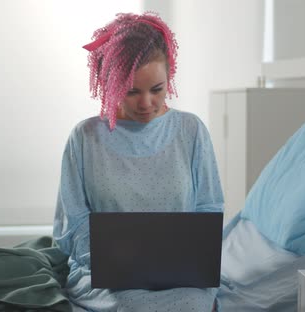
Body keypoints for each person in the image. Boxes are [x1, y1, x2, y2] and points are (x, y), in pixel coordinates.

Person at [52, 12, 224, 312]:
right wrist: (118, 261)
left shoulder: (190, 130)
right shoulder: (84, 137)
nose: (146, 103)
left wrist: (179, 261)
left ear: (169, 79)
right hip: (105, 279)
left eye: (156, 89)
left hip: (180, 279)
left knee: (193, 305)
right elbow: (72, 226)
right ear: (110, 84)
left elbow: (209, 209)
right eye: (131, 92)